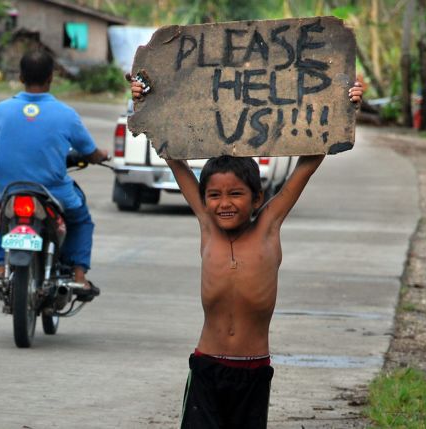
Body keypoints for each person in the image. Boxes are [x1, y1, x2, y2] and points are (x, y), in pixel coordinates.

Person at [129, 75, 363, 428]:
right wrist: (144, 102)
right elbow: (173, 158)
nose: (224, 203)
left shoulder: (268, 227)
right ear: (204, 201)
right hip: (207, 366)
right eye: (214, 195)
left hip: (253, 371)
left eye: (236, 194)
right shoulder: (207, 228)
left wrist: (346, 106)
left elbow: (308, 163)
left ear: (257, 198)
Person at [0, 50, 108, 297]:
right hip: (53, 191)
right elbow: (90, 151)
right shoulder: (66, 114)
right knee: (82, 220)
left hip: (11, 189)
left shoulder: (1, 110)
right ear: (51, 77)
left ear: (20, 77)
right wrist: (100, 156)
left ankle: (1, 268)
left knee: (5, 220)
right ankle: (79, 276)